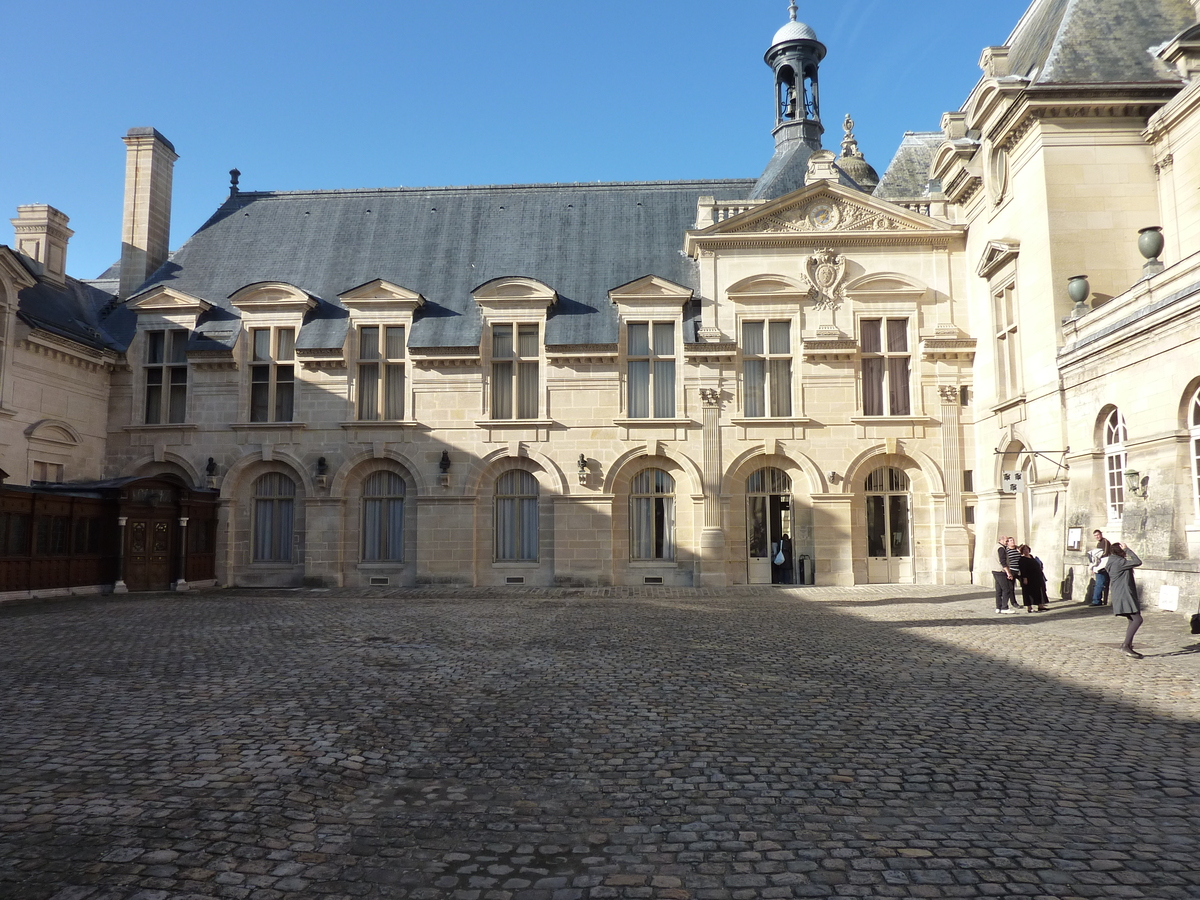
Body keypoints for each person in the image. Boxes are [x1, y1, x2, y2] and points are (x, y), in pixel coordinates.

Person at [1105, 543, 1144, 658]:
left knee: (1132, 619)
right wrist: (1128, 550)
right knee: (1137, 619)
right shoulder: (1119, 562)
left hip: (1122, 593)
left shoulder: (1114, 560)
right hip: (1124, 594)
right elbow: (1137, 561)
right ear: (1120, 552)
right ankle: (1125, 645)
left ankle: (1128, 645)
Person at [1017, 544, 1049, 612]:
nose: (1026, 551)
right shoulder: (1022, 560)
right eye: (1024, 550)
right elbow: (1023, 570)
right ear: (1022, 551)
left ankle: (1040, 605)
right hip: (1029, 578)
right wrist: (1025, 578)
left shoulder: (1032, 557)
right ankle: (1029, 607)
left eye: (1027, 549)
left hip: (1037, 577)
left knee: (1039, 591)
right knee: (1028, 592)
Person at [992, 536, 1018, 613]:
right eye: (1006, 541)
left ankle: (998, 607)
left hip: (995, 570)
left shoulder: (996, 546)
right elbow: (1003, 561)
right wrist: (1008, 572)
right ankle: (1004, 607)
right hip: (1000, 571)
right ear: (1001, 540)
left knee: (999, 590)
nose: (1007, 543)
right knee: (1006, 589)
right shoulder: (1001, 548)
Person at [1088, 529, 1111, 605]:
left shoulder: (1105, 542)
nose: (1097, 537)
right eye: (1095, 535)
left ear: (1101, 534)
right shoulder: (1098, 544)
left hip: (1103, 566)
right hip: (1098, 565)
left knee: (1100, 583)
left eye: (1098, 535)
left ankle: (1096, 600)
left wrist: (1097, 557)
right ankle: (1097, 599)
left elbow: (1105, 553)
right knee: (1099, 583)